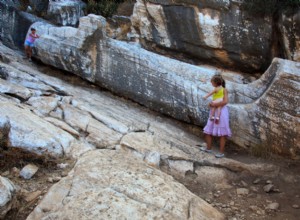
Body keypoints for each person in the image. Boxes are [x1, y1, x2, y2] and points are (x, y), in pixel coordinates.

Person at [200, 74, 231, 158]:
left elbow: (225, 101)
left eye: (212, 82)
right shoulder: (216, 89)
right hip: (214, 111)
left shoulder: (224, 90)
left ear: (216, 82)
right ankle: (208, 148)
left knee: (222, 133)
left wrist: (214, 104)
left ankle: (221, 153)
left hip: (222, 112)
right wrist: (212, 104)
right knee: (208, 129)